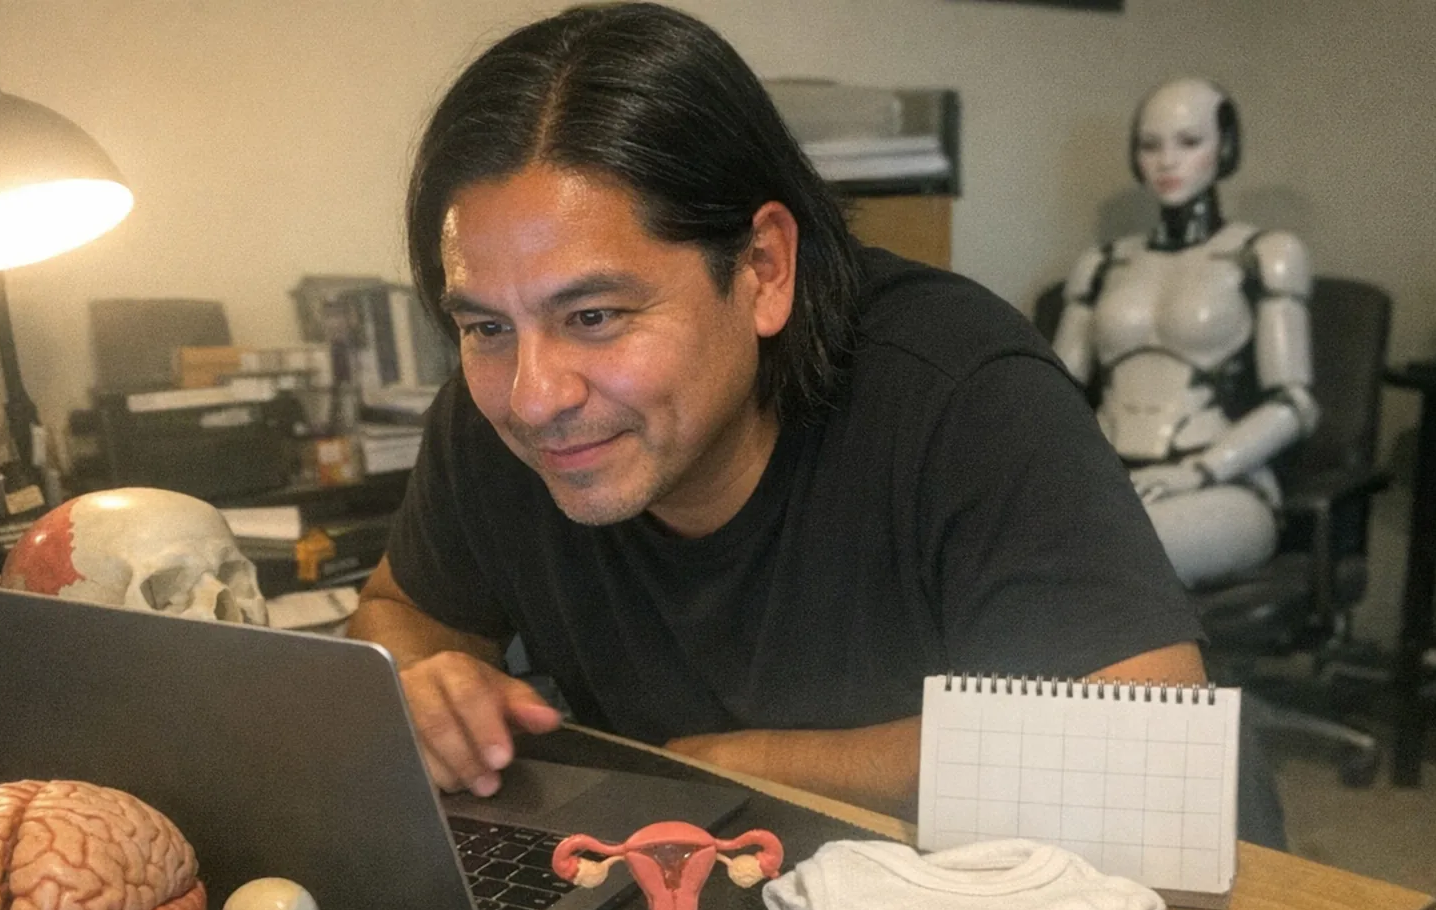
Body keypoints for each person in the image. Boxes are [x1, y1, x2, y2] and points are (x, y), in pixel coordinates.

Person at [346, 2, 1207, 821]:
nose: (535, 398)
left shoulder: (961, 393)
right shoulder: (494, 412)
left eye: (595, 316)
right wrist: (425, 685)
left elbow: (1141, 753)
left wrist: (732, 767)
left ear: (763, 267)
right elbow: (400, 612)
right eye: (487, 326)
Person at [1051, 79, 1318, 589]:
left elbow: (1294, 404)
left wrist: (1196, 471)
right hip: (1109, 479)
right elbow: (1052, 395)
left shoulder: (1266, 254)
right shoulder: (1102, 263)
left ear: (1225, 148)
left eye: (1189, 142)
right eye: (1150, 146)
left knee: (1108, 557)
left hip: (1219, 486)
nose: (1167, 161)